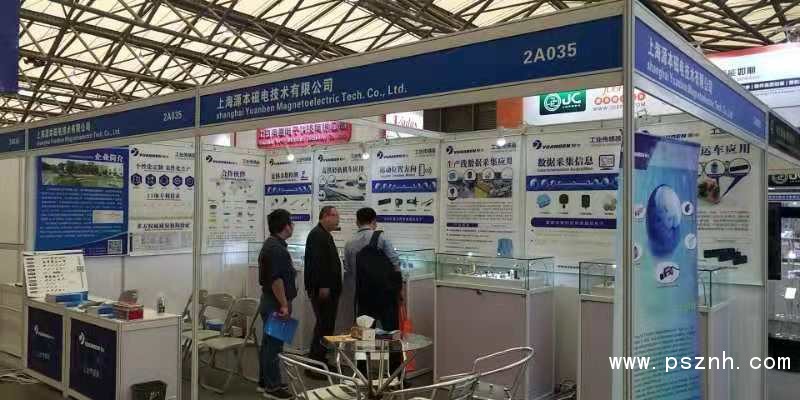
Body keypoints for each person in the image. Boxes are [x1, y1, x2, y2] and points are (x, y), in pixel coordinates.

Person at [344, 207, 404, 371]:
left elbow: (349, 270)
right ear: (374, 221)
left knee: (364, 335)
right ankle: (394, 373)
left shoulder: (349, 243)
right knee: (391, 334)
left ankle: (363, 372)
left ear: (357, 222)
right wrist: (398, 289)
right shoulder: (381, 238)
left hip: (363, 296)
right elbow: (395, 263)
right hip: (385, 295)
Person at [257, 209, 296, 400]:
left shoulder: (272, 245)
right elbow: (276, 280)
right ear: (286, 226)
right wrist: (284, 305)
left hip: (272, 301)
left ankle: (265, 381)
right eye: (291, 222)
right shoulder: (276, 249)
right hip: (276, 302)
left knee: (268, 344)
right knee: (273, 346)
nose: (293, 226)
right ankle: (272, 387)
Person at [304, 205, 342, 369]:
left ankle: (321, 360)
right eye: (335, 216)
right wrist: (324, 286)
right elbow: (318, 264)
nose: (338, 220)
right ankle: (316, 363)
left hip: (328, 289)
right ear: (325, 216)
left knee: (326, 325)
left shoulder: (324, 234)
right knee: (323, 325)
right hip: (323, 290)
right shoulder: (317, 235)